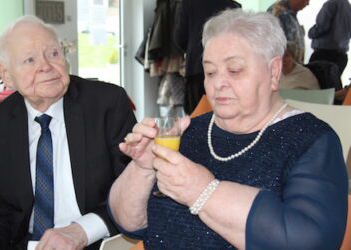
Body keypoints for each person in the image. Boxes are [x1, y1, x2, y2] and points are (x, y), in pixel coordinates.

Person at [108, 9, 348, 249]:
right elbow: (129, 225)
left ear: (274, 72)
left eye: (234, 70)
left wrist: (204, 193)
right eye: (210, 72)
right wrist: (142, 168)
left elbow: (311, 241)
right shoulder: (187, 133)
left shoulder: (312, 140)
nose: (218, 83)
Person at [0, 15, 136, 250]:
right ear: (5, 74)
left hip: (95, 241)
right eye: (29, 60)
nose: (45, 66)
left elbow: (132, 192)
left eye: (53, 53)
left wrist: (81, 232)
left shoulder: (106, 104)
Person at [174, 0, 241, 115]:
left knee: (195, 117)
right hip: (226, 71)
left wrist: (194, 50)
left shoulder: (188, 3)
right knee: (226, 114)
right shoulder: (233, 5)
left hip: (195, 67)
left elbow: (180, 38)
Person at [308, 0, 351, 82]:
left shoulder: (330, 4)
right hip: (341, 56)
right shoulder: (348, 6)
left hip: (324, 55)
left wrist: (310, 33)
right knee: (332, 87)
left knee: (315, 86)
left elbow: (321, 27)